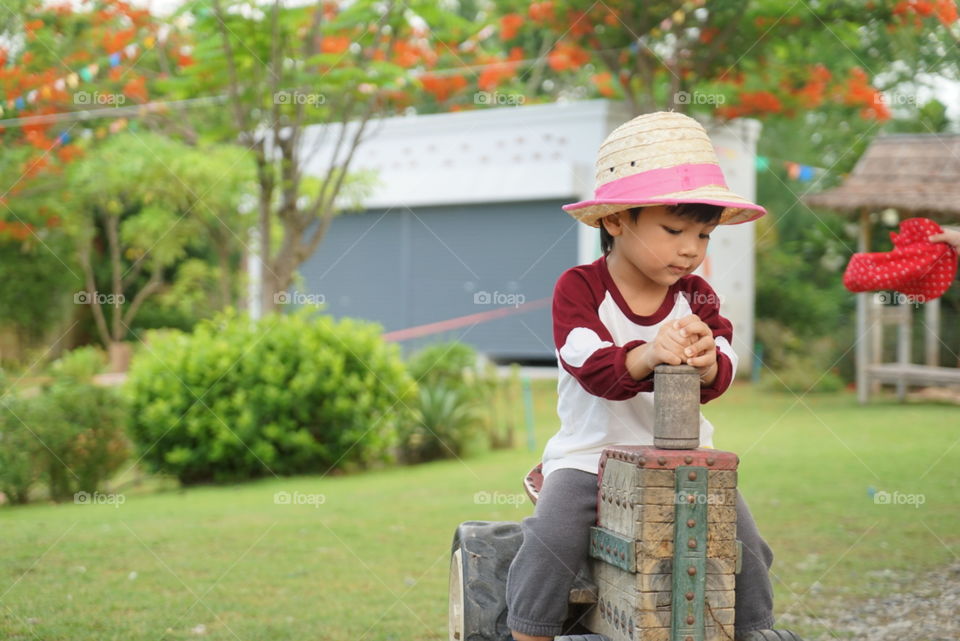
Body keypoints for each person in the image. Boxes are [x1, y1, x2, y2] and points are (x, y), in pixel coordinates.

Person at [505, 112, 802, 641]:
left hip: (686, 461)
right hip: (591, 458)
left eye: (704, 234)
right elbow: (591, 366)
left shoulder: (700, 297)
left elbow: (725, 364)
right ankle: (531, 631)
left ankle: (755, 630)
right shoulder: (579, 290)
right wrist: (647, 354)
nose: (691, 248)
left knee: (745, 545)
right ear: (615, 220)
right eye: (673, 230)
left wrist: (710, 361)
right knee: (551, 538)